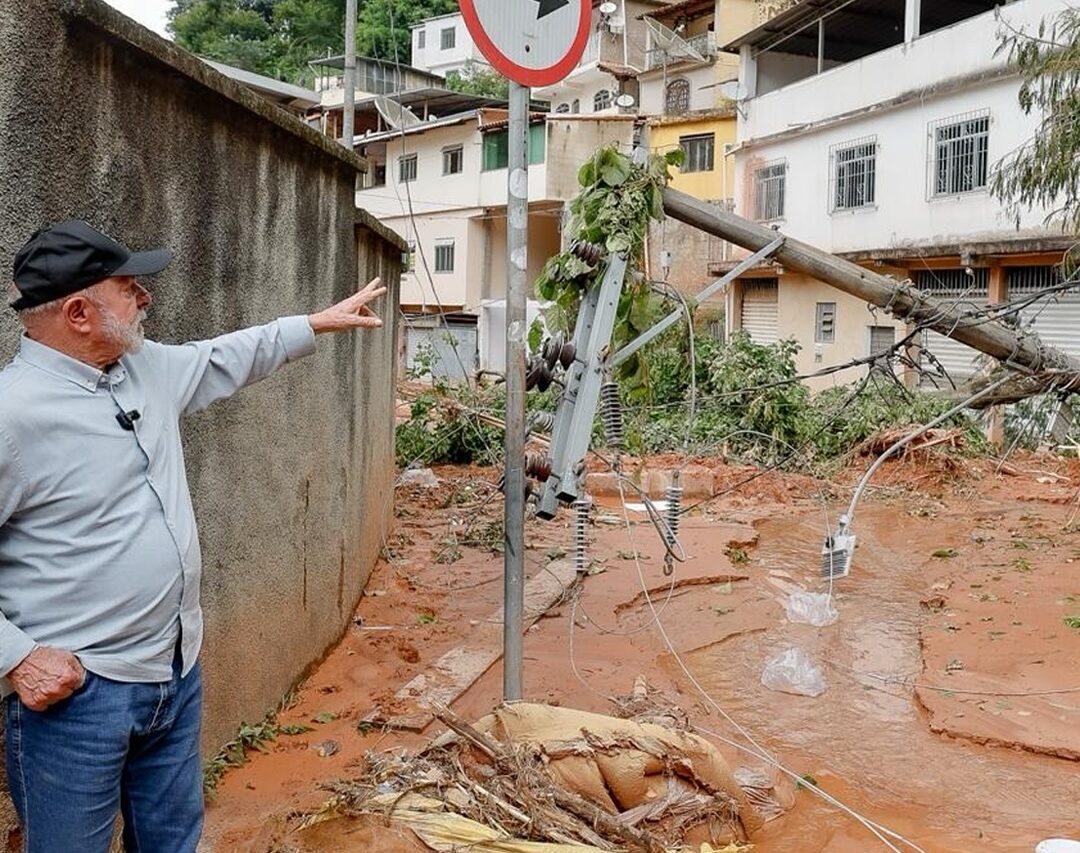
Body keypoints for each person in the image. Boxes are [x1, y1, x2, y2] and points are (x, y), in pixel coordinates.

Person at [0, 220, 387, 852]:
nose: (144, 298)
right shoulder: (12, 414)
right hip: (78, 701)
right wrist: (16, 655)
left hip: (175, 675)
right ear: (78, 312)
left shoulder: (141, 369)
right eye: (129, 288)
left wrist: (312, 324)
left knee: (174, 843)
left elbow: (223, 357)